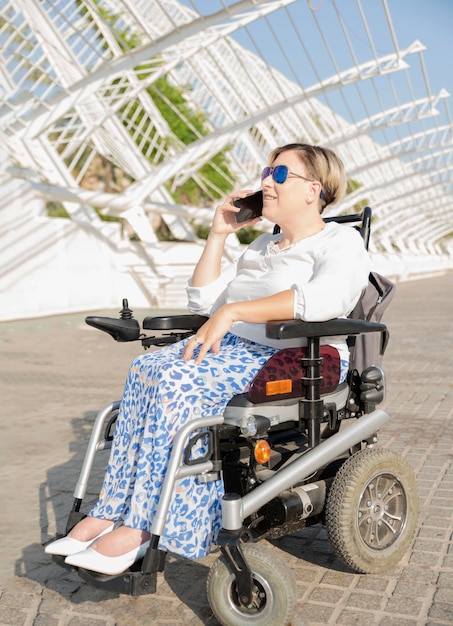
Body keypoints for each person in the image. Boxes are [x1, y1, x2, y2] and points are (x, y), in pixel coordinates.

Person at [45, 143, 371, 575]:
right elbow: (204, 299)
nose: (264, 183)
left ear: (313, 189)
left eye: (277, 175)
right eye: (264, 172)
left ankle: (148, 528)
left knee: (178, 383)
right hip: (235, 347)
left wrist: (233, 312)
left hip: (295, 355)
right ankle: (113, 509)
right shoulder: (260, 246)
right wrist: (218, 234)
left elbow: (325, 298)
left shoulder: (340, 242)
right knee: (145, 369)